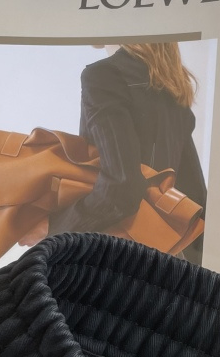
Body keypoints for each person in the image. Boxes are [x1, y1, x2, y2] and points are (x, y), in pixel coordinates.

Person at [49, 41, 207, 260]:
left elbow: (121, 185)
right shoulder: (171, 84)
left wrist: (55, 232)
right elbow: (195, 196)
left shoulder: (104, 75)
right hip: (165, 255)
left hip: (113, 253)